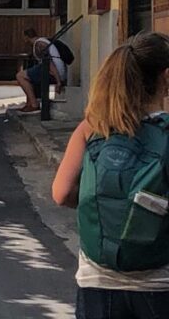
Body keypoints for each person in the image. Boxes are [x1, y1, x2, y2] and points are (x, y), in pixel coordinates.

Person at [53, 33, 169, 318]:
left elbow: (62, 193)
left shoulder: (93, 127)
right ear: (166, 78)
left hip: (98, 282)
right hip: (159, 285)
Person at [15, 28, 67, 114]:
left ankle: (34, 104)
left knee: (20, 76)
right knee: (27, 77)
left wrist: (58, 81)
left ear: (26, 37)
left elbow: (49, 63)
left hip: (54, 71)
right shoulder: (42, 41)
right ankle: (29, 103)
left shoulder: (39, 45)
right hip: (55, 70)